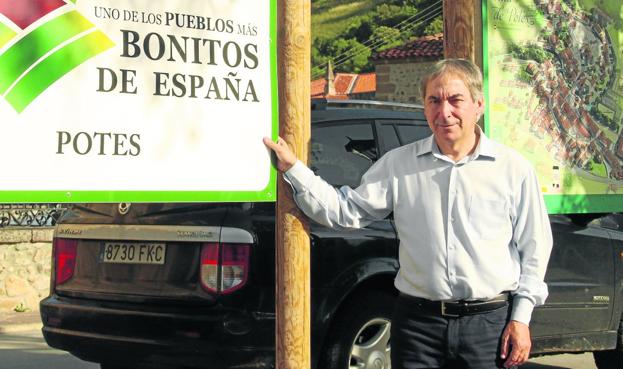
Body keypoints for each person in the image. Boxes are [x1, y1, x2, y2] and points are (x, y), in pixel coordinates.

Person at [263, 58, 552, 369]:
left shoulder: (512, 169)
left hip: (488, 327)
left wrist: (521, 319)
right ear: (425, 107)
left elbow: (535, 248)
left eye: (455, 100)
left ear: (477, 105)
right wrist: (293, 168)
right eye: (434, 100)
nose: (445, 112)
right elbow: (345, 212)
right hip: (417, 329)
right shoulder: (399, 165)